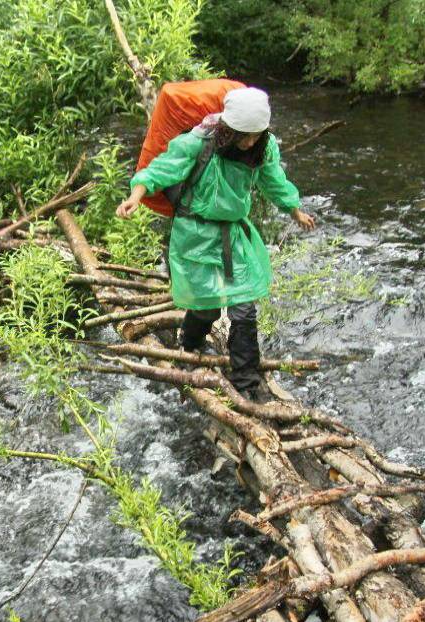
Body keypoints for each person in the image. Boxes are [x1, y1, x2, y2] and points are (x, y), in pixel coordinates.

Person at [117, 87, 316, 400]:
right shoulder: (199, 143)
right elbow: (162, 168)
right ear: (228, 130)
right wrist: (135, 195)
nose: (250, 142)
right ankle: (190, 346)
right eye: (244, 136)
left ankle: (246, 385)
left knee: (244, 309)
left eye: (256, 135)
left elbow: (273, 180)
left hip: (234, 234)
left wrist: (295, 210)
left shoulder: (262, 148)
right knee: (206, 307)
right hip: (195, 233)